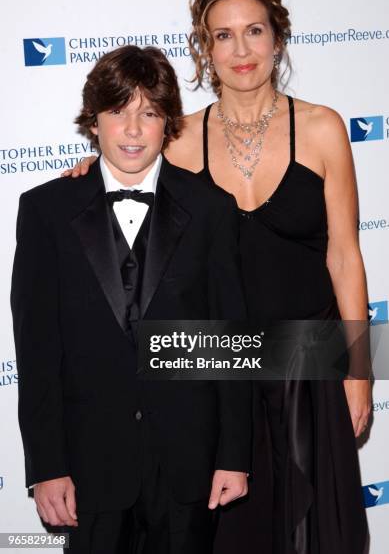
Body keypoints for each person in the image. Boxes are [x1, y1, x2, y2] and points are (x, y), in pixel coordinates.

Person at [67, 0, 372, 554]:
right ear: (205, 49)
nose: (241, 49)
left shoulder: (323, 128)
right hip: (218, 368)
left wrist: (358, 372)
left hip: (308, 364)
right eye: (223, 35)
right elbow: (125, 165)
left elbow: (345, 256)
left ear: (277, 39)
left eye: (254, 31)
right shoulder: (178, 140)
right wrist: (88, 174)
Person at [11, 44, 253, 554]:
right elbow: (37, 353)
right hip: (89, 466)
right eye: (118, 112)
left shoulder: (211, 209)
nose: (134, 129)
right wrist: (47, 466)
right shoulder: (45, 212)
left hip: (189, 462)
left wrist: (234, 454)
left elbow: (231, 340)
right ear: (93, 123)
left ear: (167, 123)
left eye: (149, 113)